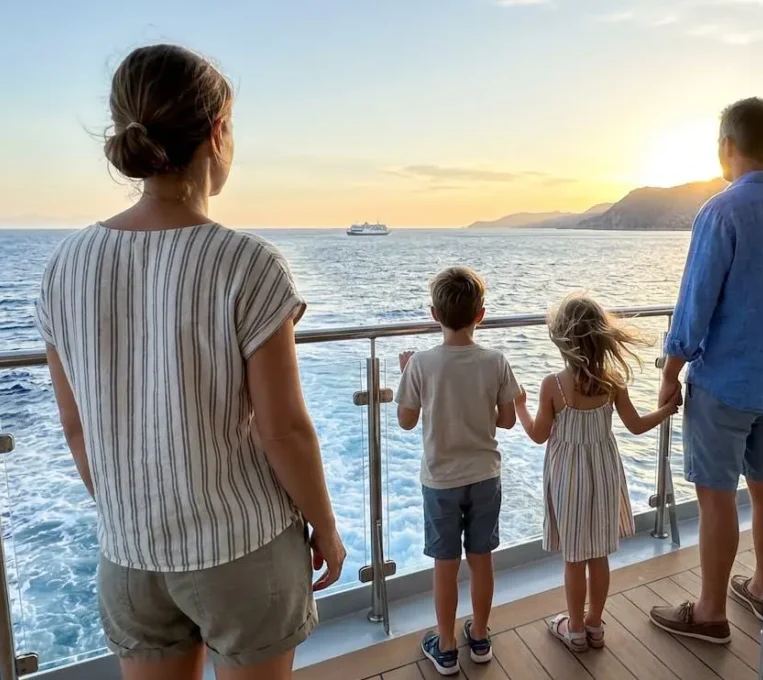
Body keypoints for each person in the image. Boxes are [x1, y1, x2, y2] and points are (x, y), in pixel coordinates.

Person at [36, 44, 345, 680]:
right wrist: (325, 527)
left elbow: (76, 428)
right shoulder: (247, 263)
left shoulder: (64, 267)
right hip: (241, 549)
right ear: (217, 134)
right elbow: (282, 428)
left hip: (129, 556)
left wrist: (132, 514)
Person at [647, 98, 763, 643]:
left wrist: (670, 370)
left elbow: (694, 304)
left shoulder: (721, 211)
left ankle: (708, 612)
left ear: (726, 144)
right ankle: (759, 589)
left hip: (726, 381)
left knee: (716, 494)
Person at [514, 294, 677, 652]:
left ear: (563, 342)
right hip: (604, 473)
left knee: (574, 557)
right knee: (599, 555)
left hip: (569, 477)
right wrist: (665, 410)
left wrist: (521, 408)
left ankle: (573, 629)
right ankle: (595, 624)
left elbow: (539, 435)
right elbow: (635, 425)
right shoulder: (613, 380)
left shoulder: (553, 386)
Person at [395, 266, 519, 676]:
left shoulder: (422, 364)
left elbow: (407, 421)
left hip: (441, 480)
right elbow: (506, 421)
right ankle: (479, 636)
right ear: (481, 314)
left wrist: (406, 376)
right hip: (485, 475)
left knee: (445, 564)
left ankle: (446, 646)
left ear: (434, 314)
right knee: (481, 558)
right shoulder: (495, 360)